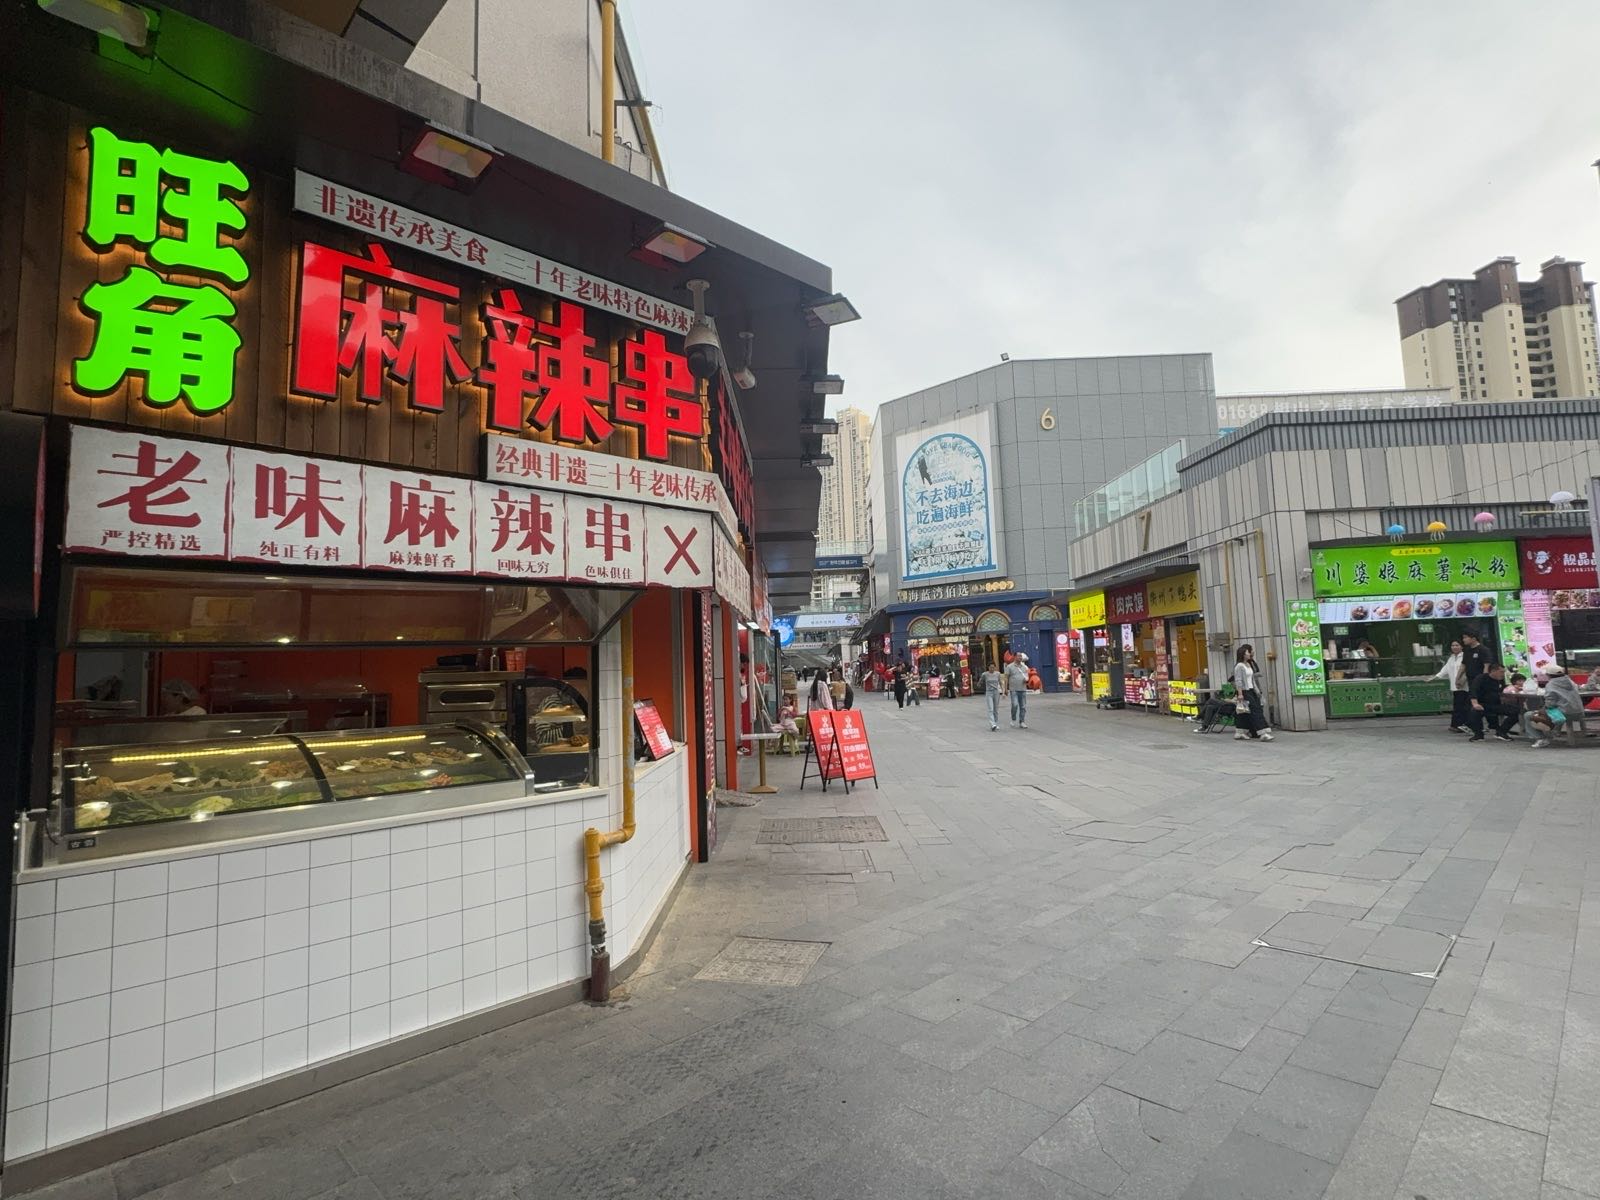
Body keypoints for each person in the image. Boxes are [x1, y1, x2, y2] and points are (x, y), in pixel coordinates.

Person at [1528, 665, 1584, 748]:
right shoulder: (1570, 682)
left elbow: (1550, 704)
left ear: (1549, 675)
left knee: (1528, 715)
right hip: (1579, 712)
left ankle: (1541, 738)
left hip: (1563, 714)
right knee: (1552, 710)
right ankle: (1555, 732)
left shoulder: (1551, 684)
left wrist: (1541, 710)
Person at [1231, 644, 1273, 742]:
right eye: (1248, 652)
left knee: (1244, 713)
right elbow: (1238, 681)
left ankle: (1240, 732)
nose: (1250, 654)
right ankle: (1263, 733)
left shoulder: (1249, 664)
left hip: (1251, 690)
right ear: (1243, 654)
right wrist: (1240, 694)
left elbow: (1252, 679)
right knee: (1255, 711)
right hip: (1244, 692)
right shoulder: (1239, 666)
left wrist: (1257, 691)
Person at [1466, 662, 1517, 741]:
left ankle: (1501, 732)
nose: (1503, 674)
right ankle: (1478, 735)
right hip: (1482, 704)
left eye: (1503, 672)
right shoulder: (1481, 678)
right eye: (1501, 672)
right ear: (1493, 671)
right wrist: (1475, 704)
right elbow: (1473, 691)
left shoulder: (1501, 680)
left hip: (1496, 704)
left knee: (1515, 710)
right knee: (1474, 711)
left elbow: (1505, 690)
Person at [1435, 640, 1469, 733]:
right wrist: (1435, 677)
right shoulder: (1451, 658)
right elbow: (1445, 669)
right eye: (1452, 645)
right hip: (1455, 686)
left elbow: (1467, 670)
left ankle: (1461, 725)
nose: (1454, 647)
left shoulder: (1465, 656)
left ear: (1461, 647)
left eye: (1457, 645)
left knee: (1462, 706)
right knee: (1458, 706)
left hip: (1464, 686)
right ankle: (1457, 725)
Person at [1004, 653, 1030, 728]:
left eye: (1021, 656)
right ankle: (1013, 718)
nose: (1020, 657)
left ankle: (1022, 721)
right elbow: (1006, 678)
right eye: (1019, 656)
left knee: (1023, 706)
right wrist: (1005, 688)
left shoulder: (1024, 667)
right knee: (1014, 704)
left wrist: (1026, 679)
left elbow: (1027, 676)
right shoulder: (1009, 667)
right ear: (1014, 657)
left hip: (1023, 688)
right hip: (1013, 689)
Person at [978, 661, 1005, 731]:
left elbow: (1001, 683)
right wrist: (979, 684)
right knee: (991, 709)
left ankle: (995, 723)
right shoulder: (985, 674)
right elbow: (980, 681)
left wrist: (1003, 692)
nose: (992, 669)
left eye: (993, 667)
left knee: (996, 709)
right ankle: (992, 724)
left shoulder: (998, 674)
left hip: (996, 692)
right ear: (988, 667)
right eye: (990, 667)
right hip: (989, 692)